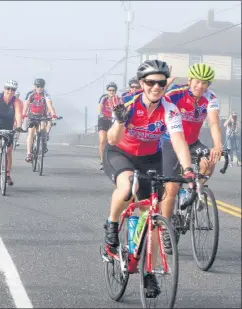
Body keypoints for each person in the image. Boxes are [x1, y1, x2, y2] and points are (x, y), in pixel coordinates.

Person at [103, 60, 194, 297]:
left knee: (151, 214)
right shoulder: (129, 103)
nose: (156, 87)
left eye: (161, 83)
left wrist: (188, 169)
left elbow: (178, 140)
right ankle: (112, 225)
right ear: (142, 83)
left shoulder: (169, 108)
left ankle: (148, 272)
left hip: (149, 156)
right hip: (120, 153)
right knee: (126, 188)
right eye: (151, 82)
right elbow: (112, 139)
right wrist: (121, 120)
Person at [160, 63, 223, 241]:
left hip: (193, 142)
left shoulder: (210, 98)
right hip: (171, 142)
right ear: (189, 81)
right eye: (197, 82)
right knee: (171, 188)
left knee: (209, 161)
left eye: (204, 83)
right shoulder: (176, 94)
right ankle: (167, 229)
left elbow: (213, 123)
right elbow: (155, 100)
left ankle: (192, 192)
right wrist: (164, 85)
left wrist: (217, 146)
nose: (200, 86)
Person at [0, 80, 24, 185]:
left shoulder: (16, 101)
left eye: (13, 89)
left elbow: (18, 114)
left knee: (9, 150)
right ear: (4, 89)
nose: (10, 91)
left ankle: (7, 174)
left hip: (8, 125)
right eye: (8, 88)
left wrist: (19, 126)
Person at [23, 78, 57, 162]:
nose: (39, 88)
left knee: (43, 128)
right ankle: (28, 153)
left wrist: (53, 114)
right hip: (32, 115)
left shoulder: (46, 94)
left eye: (41, 87)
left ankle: (44, 142)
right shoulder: (30, 94)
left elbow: (49, 105)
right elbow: (26, 105)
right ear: (35, 86)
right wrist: (24, 114)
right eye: (38, 86)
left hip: (42, 115)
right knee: (31, 132)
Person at [97, 82, 120, 169]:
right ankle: (102, 161)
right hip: (103, 120)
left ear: (115, 91)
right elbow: (100, 106)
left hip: (113, 121)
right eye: (110, 90)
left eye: (113, 90)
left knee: (112, 142)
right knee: (103, 140)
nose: (111, 92)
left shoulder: (118, 99)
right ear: (107, 91)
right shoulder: (104, 97)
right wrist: (100, 113)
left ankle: (112, 159)